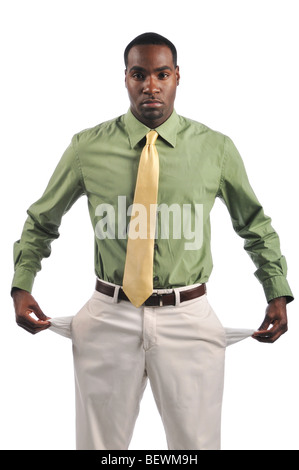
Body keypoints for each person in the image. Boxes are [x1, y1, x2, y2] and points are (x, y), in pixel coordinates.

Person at [11, 32, 294, 450]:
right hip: (110, 315)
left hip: (188, 316)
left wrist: (277, 293)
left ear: (177, 77)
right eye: (139, 74)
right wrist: (22, 284)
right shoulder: (86, 148)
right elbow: (42, 219)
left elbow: (254, 223)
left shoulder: (215, 149)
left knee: (194, 449)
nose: (150, 86)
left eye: (162, 74)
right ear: (125, 78)